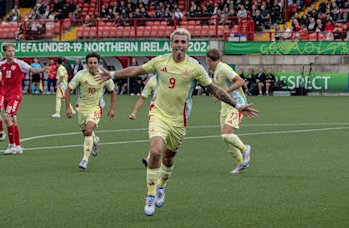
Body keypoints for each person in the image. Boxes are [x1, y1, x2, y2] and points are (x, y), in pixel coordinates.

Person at [96, 28, 258, 216]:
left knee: (168, 158)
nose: (179, 45)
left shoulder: (195, 67)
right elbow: (136, 70)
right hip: (158, 114)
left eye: (183, 42)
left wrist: (237, 105)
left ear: (188, 45)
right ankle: (150, 194)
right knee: (155, 152)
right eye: (177, 42)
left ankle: (162, 186)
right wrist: (113, 75)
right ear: (171, 44)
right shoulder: (160, 61)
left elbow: (215, 90)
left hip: (179, 121)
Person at [0, 43, 45, 155]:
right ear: (5, 52)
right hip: (6, 95)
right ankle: (18, 146)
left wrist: (44, 69)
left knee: (7, 117)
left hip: (16, 95)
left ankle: (11, 145)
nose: (11, 53)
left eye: (13, 51)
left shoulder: (19, 63)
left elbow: (32, 71)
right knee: (13, 119)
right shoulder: (1, 65)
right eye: (9, 51)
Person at [64, 52, 116, 170]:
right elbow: (68, 90)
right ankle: (95, 141)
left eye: (95, 63)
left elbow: (113, 91)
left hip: (96, 107)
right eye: (90, 63)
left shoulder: (104, 76)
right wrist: (68, 107)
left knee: (88, 131)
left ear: (98, 63)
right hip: (82, 108)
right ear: (86, 64)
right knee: (86, 133)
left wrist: (112, 108)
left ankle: (84, 160)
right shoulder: (80, 75)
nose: (93, 65)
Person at [206, 49, 252, 174]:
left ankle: (245, 148)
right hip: (226, 106)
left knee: (226, 134)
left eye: (207, 60)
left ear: (209, 60)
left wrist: (224, 93)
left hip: (237, 105)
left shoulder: (224, 68)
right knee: (225, 138)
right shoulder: (215, 72)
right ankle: (241, 163)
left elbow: (240, 81)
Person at [129, 75, 157, 167]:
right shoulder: (153, 80)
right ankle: (149, 158)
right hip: (155, 113)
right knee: (155, 135)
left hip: (173, 115)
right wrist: (134, 112)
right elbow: (142, 98)